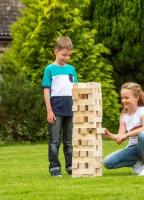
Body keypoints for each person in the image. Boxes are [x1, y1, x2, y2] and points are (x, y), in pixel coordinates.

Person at [103, 82, 144, 176]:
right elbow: (120, 138)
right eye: (122, 98)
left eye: (127, 98)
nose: (124, 100)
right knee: (107, 163)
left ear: (137, 98)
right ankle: (137, 163)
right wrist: (109, 135)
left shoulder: (143, 111)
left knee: (142, 134)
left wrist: (127, 135)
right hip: (133, 149)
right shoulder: (124, 116)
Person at [42, 36, 78, 177]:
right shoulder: (49, 69)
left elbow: (76, 89)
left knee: (69, 142)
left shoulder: (71, 69)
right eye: (64, 55)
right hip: (56, 110)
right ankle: (54, 169)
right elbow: (46, 91)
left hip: (71, 109)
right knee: (54, 142)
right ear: (56, 51)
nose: (67, 58)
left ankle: (71, 167)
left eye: (69, 55)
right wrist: (49, 111)